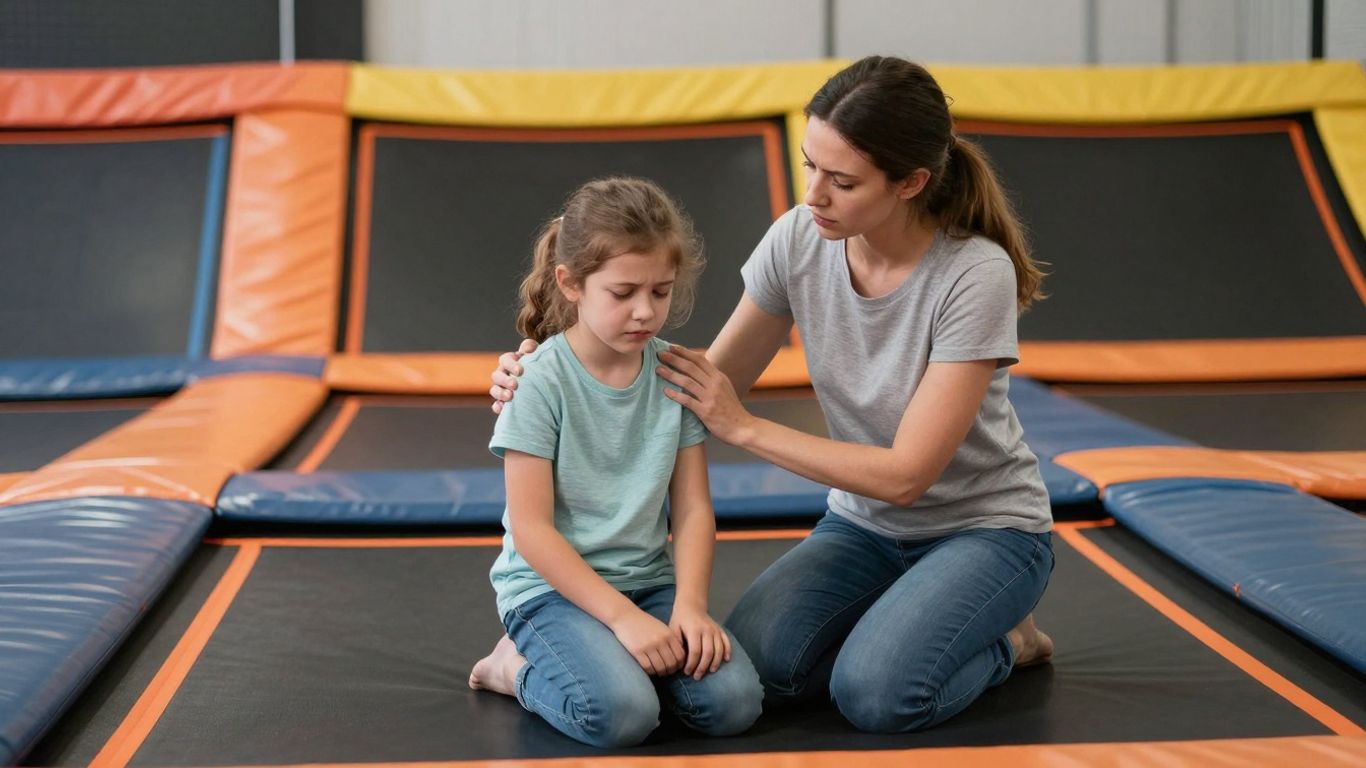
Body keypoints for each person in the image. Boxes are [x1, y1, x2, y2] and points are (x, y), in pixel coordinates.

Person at [491, 56, 1054, 734]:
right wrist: (544, 367)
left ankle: (1004, 640)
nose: (812, 194)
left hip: (983, 529)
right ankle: (915, 623)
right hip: (865, 528)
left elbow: (906, 477)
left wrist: (745, 428)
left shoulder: (972, 275)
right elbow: (690, 384)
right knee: (760, 671)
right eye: (809, 164)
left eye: (841, 181)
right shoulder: (801, 238)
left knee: (876, 694)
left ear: (911, 182)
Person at [468, 177, 763, 748]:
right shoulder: (540, 383)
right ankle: (514, 670)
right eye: (623, 292)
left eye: (661, 291)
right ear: (571, 284)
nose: (645, 311)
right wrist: (622, 620)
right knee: (623, 715)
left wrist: (691, 608)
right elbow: (530, 530)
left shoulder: (675, 374)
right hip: (548, 592)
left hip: (647, 583)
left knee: (734, 704)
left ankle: (633, 665)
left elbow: (695, 510)